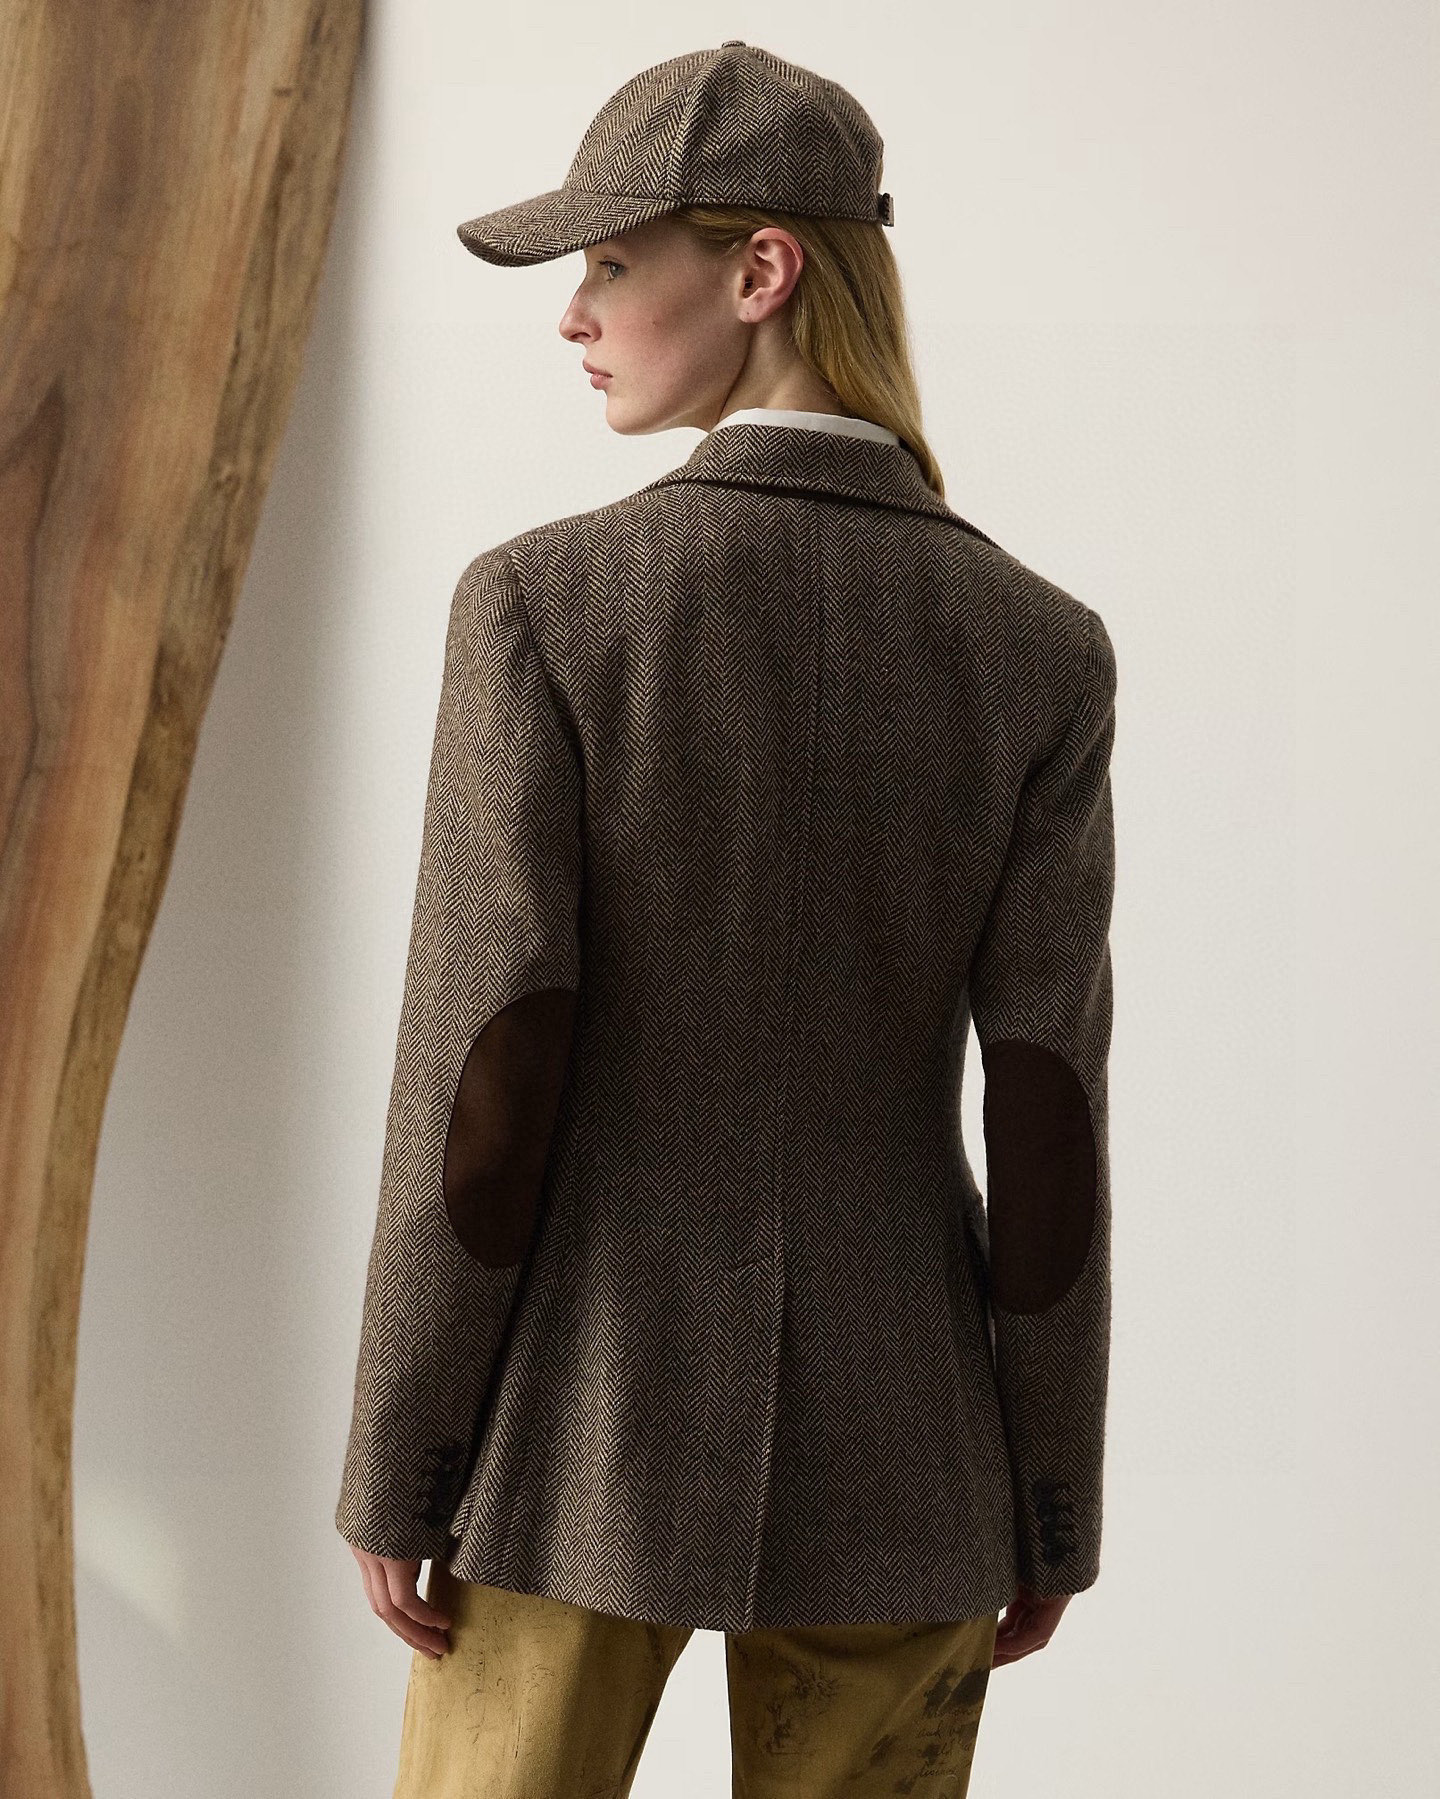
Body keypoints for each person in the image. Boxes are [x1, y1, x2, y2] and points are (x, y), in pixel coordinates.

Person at [334, 40, 1118, 1799]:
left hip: (573, 1440)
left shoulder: (547, 607)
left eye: (612, 262)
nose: (575, 315)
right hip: (915, 1449)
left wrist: (402, 1452)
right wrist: (1045, 1483)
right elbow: (1048, 1108)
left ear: (761, 269)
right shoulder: (1040, 649)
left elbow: (487, 1074)